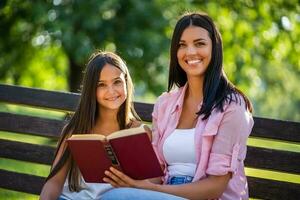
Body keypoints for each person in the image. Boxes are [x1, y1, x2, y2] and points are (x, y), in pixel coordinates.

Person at [102, 12, 254, 200]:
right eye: (182, 45)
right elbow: (157, 174)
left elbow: (215, 187)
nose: (190, 52)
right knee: (113, 194)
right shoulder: (165, 104)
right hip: (166, 193)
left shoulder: (232, 107)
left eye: (199, 43)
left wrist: (148, 190)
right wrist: (130, 179)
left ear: (215, 48)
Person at [40, 51, 146, 200]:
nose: (111, 91)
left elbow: (153, 182)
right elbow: (54, 182)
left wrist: (132, 184)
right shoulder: (75, 130)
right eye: (101, 85)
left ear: (126, 82)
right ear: (91, 90)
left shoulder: (139, 132)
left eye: (117, 82)